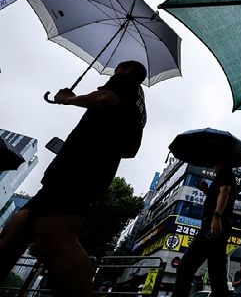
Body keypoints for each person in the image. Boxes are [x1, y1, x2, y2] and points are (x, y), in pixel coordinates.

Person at [0, 60, 147, 297]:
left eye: (117, 68)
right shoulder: (140, 108)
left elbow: (103, 99)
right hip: (90, 172)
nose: (113, 72)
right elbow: (131, 151)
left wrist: (68, 99)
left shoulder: (124, 82)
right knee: (15, 231)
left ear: (124, 70)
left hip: (77, 168)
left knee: (57, 236)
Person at [172, 161, 237, 297]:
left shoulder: (225, 173)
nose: (213, 165)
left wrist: (216, 217)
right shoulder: (224, 176)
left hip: (212, 228)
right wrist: (206, 189)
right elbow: (217, 196)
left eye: (215, 162)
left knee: (185, 267)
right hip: (218, 229)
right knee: (217, 275)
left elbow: (224, 192)